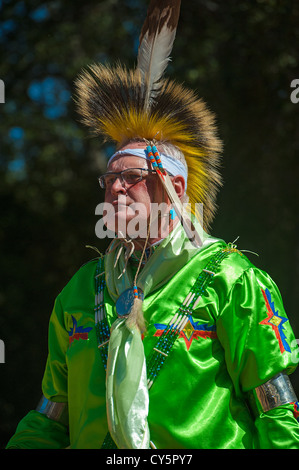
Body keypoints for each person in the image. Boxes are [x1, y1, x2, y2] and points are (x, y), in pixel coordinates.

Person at [6, 0, 299, 449]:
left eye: (133, 177)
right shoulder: (81, 291)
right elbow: (50, 419)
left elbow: (278, 412)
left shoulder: (231, 280)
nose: (115, 189)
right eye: (109, 178)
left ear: (176, 189)